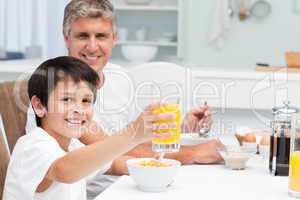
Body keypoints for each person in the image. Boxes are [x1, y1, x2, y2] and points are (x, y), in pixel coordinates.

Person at [25, 0, 224, 198]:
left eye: (101, 36)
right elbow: (120, 146)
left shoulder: (120, 78)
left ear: (114, 38)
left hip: (127, 183)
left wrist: (180, 130)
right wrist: (193, 153)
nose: (92, 46)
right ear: (66, 38)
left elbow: (131, 145)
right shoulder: (56, 99)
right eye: (83, 36)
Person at [3, 56, 174, 200]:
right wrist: (132, 134)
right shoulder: (32, 146)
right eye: (66, 99)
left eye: (86, 101)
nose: (78, 109)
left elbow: (114, 164)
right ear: (39, 106)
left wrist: (158, 168)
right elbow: (65, 170)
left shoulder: (73, 146)